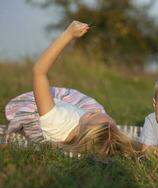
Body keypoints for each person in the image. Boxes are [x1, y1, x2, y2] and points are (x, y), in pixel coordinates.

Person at [22, 20, 141, 156]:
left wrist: (68, 34)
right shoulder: (95, 131)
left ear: (79, 131)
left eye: (92, 114)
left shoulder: (56, 123)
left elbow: (39, 71)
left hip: (32, 103)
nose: (95, 111)